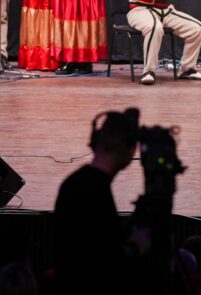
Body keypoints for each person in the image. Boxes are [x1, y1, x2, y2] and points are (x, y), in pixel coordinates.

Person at [53, 108, 139, 293]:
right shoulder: (93, 191)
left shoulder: (77, 183)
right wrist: (136, 247)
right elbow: (102, 263)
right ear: (127, 148)